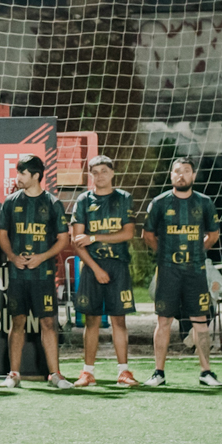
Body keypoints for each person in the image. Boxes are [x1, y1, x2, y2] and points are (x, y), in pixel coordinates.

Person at [142, 157, 222, 388]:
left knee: (201, 322)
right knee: (163, 320)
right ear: (171, 175)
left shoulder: (204, 202)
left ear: (193, 175)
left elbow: (213, 235)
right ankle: (158, 372)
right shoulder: (159, 203)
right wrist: (165, 254)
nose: (181, 175)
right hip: (168, 271)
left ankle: (206, 372)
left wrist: (197, 251)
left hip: (195, 271)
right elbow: (148, 235)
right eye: (177, 171)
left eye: (186, 171)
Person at [0, 155, 72, 388]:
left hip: (43, 275)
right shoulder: (10, 202)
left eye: (22, 173)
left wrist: (42, 257)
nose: (17, 177)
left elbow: (63, 239)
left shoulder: (52, 203)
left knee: (48, 323)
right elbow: (1, 234)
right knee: (17, 321)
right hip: (17, 275)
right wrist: (12, 256)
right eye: (18, 172)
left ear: (36, 176)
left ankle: (55, 375)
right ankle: (14, 374)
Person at [70, 154, 138, 387]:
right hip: (92, 266)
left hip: (118, 266)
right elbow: (77, 241)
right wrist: (96, 268)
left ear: (112, 173)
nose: (100, 176)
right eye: (95, 172)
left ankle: (124, 372)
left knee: (119, 320)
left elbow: (128, 233)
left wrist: (94, 237)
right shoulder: (83, 200)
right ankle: (87, 372)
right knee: (92, 320)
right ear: (90, 176)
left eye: (104, 171)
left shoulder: (124, 198)